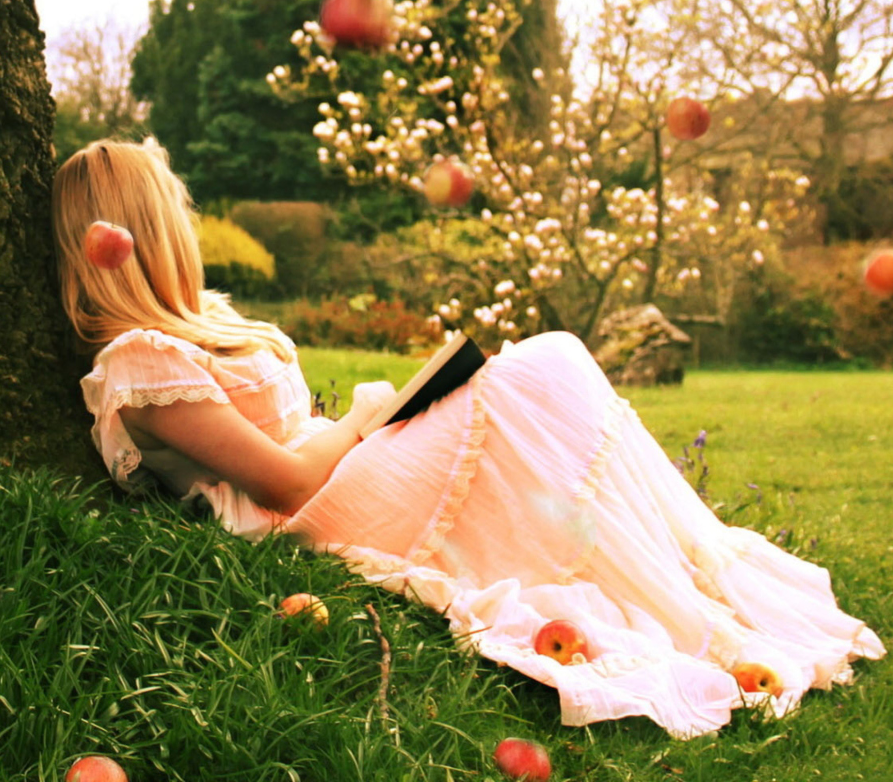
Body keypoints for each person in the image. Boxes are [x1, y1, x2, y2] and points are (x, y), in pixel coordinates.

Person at [52, 138, 885, 740]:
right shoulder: (138, 364)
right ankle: (682, 604)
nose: (190, 222)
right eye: (179, 208)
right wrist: (363, 420)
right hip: (317, 509)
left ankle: (691, 584)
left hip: (339, 471)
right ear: (144, 227)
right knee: (543, 369)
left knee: (537, 370)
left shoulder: (185, 334)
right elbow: (284, 485)